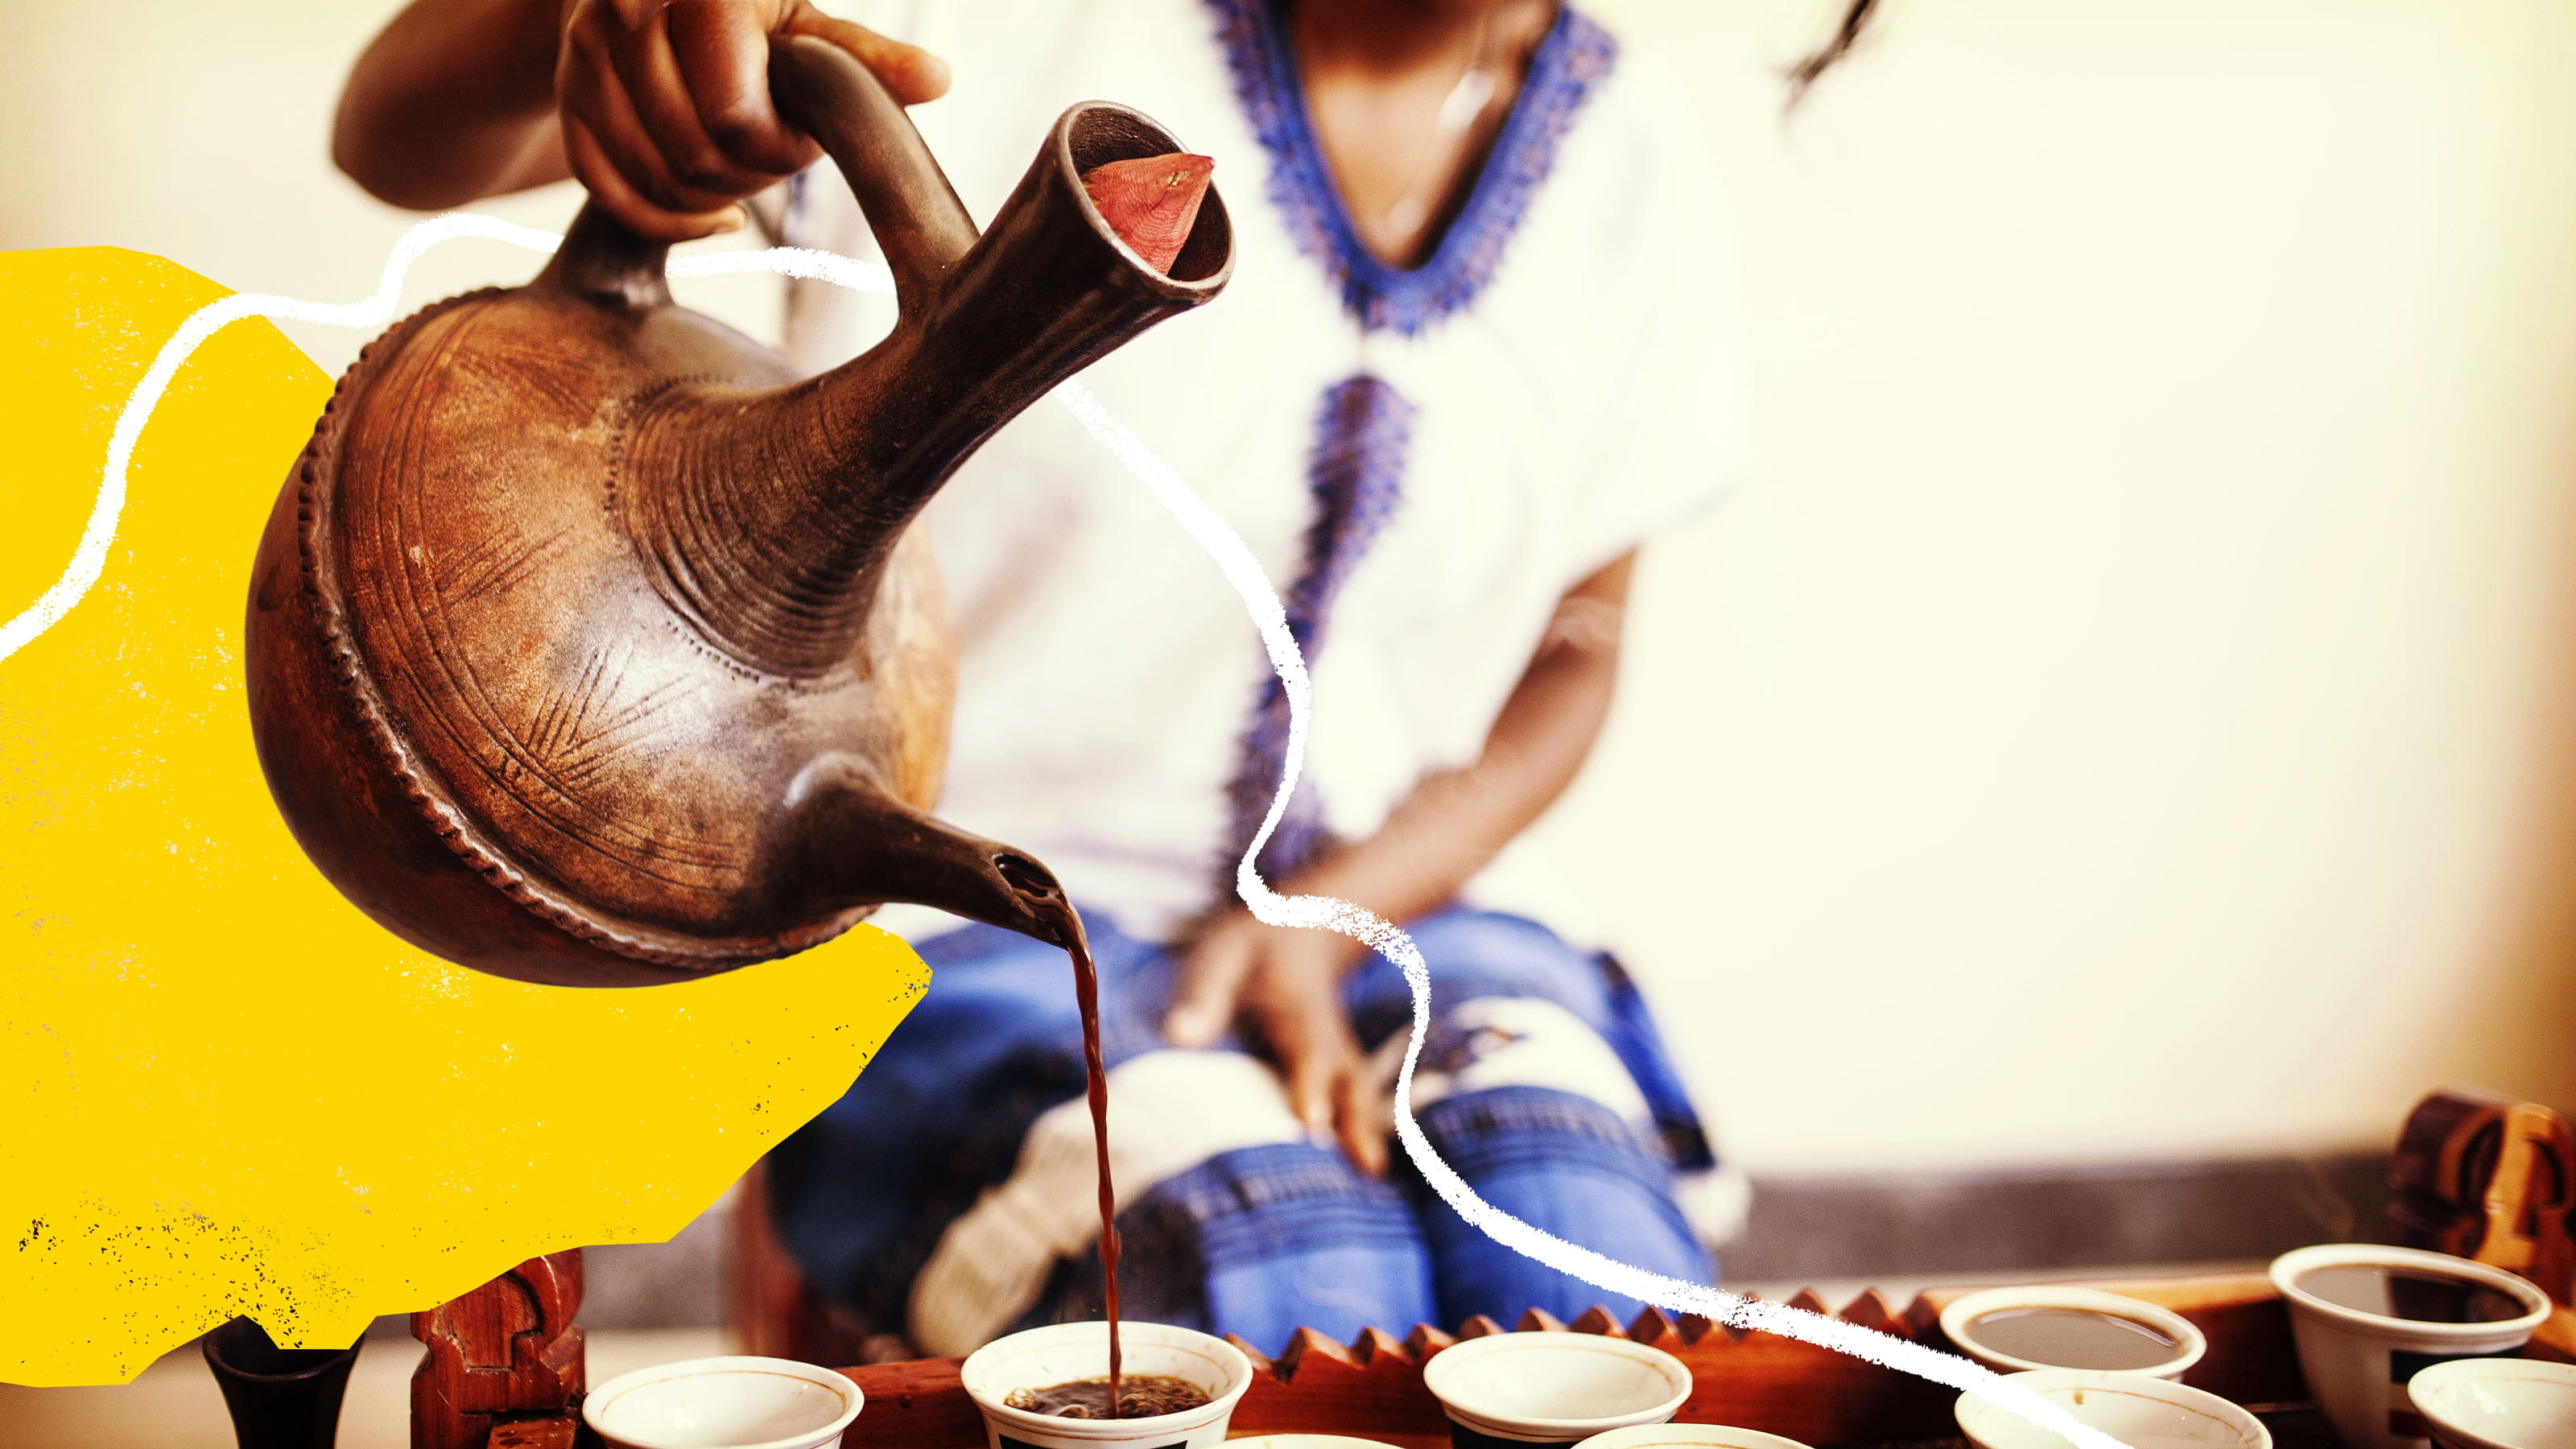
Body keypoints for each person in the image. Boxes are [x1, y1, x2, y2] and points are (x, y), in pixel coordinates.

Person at [336, 0, 1876, 1357]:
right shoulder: (985, 25)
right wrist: (592, 19)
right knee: (1271, 1265)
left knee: (1580, 1261)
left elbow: (1575, 654)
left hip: (1410, 911)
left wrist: (1343, 910)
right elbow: (394, 131)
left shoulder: (1631, 155)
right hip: (952, 918)